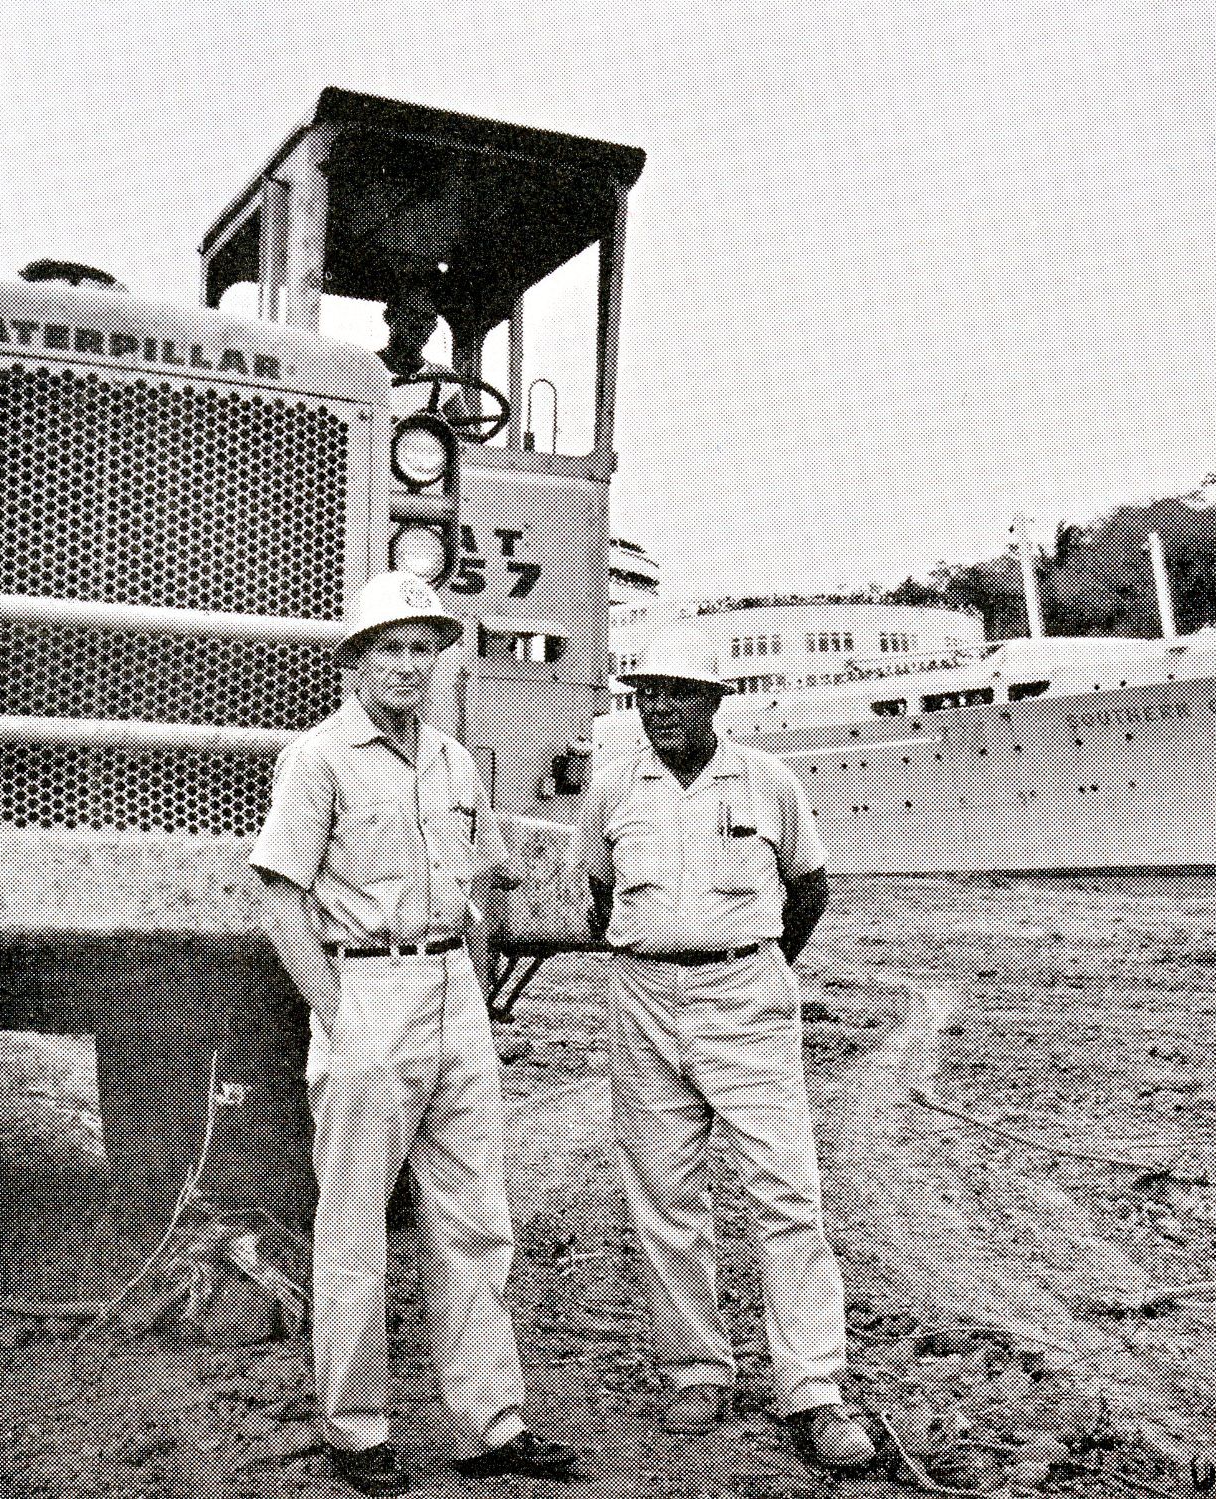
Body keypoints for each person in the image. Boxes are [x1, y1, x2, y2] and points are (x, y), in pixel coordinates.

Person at [251, 572, 578, 1495]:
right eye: (386, 647)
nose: (404, 663)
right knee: (352, 1228)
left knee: (475, 1219)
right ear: (354, 662)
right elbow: (280, 896)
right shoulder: (318, 759)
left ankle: (491, 1423)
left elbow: (485, 887)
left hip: (450, 995)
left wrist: (469, 989)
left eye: (419, 647)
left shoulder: (453, 760)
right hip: (367, 989)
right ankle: (356, 1431)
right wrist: (338, 1016)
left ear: (437, 660)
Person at [576, 623, 878, 1471]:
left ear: (715, 700)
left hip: (745, 992)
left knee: (786, 1192)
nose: (661, 707)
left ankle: (814, 1389)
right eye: (647, 693)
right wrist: (661, 953)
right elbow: (599, 897)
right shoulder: (611, 788)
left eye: (680, 692)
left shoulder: (769, 782)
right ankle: (696, 1368)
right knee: (664, 1195)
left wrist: (747, 962)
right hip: (641, 997)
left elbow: (808, 890)